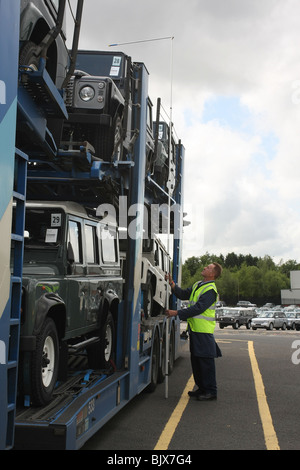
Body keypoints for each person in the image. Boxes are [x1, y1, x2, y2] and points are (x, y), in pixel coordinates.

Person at [165, 263, 222, 401]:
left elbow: (198, 308)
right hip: (195, 329)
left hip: (203, 331)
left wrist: (177, 313)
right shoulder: (198, 284)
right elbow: (184, 294)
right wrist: (172, 283)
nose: (204, 268)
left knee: (205, 361)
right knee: (196, 360)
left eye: (208, 268)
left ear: (212, 274)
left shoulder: (210, 290)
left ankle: (210, 391)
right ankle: (202, 388)